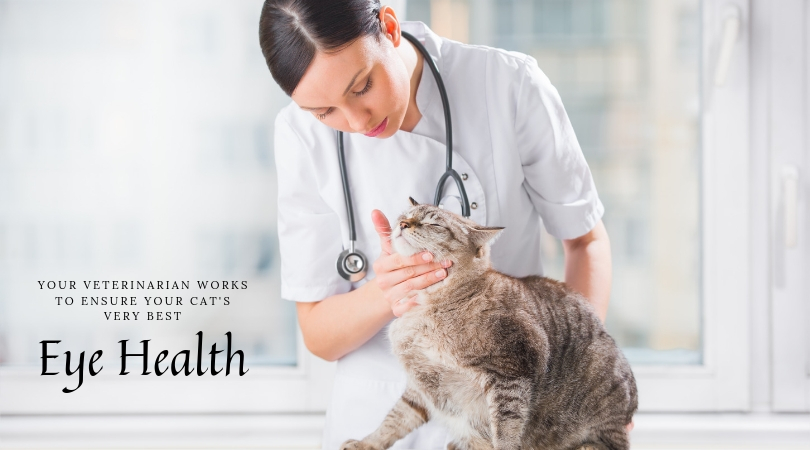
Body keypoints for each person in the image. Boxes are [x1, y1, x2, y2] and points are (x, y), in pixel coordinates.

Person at [259, 1, 618, 448]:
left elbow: (585, 242)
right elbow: (319, 335)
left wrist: (579, 389)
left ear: (389, 26)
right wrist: (386, 292)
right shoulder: (298, 135)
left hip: (510, 417)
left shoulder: (506, 84)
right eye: (324, 112)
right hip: (378, 418)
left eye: (362, 86)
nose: (356, 121)